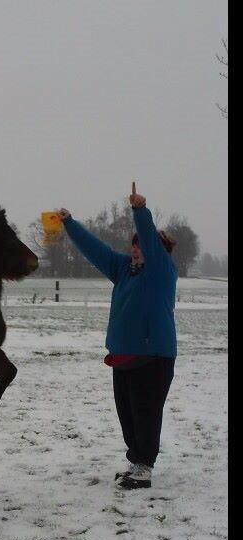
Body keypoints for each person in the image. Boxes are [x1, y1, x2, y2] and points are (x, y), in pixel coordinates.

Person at [57, 184, 177, 489]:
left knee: (146, 412)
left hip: (153, 356)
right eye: (133, 245)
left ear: (157, 251)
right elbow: (96, 250)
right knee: (128, 414)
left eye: (141, 245)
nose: (135, 249)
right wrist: (70, 223)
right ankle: (137, 460)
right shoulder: (125, 269)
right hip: (124, 355)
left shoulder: (161, 271)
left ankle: (144, 467)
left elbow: (150, 239)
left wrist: (140, 210)